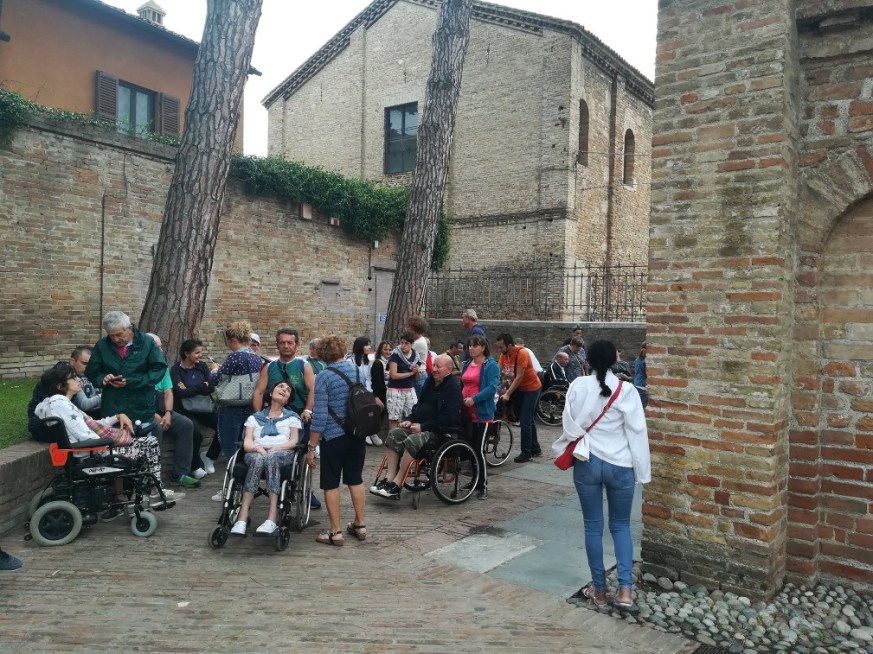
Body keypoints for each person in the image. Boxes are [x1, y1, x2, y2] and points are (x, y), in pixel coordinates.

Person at [557, 340, 650, 611]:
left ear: (588, 361)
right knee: (621, 526)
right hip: (620, 464)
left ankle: (598, 590)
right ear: (614, 361)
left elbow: (568, 424)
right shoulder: (627, 390)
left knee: (592, 526)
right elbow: (637, 432)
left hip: (587, 461)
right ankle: (625, 591)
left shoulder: (577, 386)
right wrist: (642, 470)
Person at [34, 365, 183, 509]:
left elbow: (92, 424)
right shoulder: (61, 405)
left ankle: (149, 491)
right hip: (92, 454)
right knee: (149, 446)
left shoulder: (58, 404)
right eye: (73, 378)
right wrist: (110, 442)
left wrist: (117, 417)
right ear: (61, 386)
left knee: (149, 442)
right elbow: (85, 435)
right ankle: (153, 491)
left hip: (89, 450)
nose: (78, 379)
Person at [372, 354, 463, 499]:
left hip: (440, 431)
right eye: (434, 365)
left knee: (413, 440)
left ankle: (397, 483)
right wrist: (410, 419)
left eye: (438, 367)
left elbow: (448, 418)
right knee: (394, 434)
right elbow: (419, 405)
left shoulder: (453, 389)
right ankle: (389, 478)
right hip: (419, 425)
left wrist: (423, 426)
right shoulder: (430, 381)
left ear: (449, 369)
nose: (434, 369)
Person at [307, 336, 367, 546]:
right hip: (357, 433)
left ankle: (335, 532)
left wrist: (311, 446)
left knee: (330, 482)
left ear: (323, 353)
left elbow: (320, 415)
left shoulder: (324, 376)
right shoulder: (357, 371)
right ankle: (360, 525)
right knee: (355, 479)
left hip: (333, 436)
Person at [251, 328, 320, 509]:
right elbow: (259, 391)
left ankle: (305, 489)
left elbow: (313, 390)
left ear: (296, 345)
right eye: (282, 343)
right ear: (277, 345)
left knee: (302, 453)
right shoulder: (269, 367)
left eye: (290, 343)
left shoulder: (304, 366)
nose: (286, 346)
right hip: (274, 415)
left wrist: (308, 410)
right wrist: (258, 415)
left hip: (299, 415)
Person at [230, 382, 302, 536]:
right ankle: (242, 517)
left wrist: (276, 448)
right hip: (256, 452)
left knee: (272, 458)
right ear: (271, 393)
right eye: (280, 387)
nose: (284, 390)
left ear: (288, 400)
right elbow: (247, 442)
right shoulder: (254, 418)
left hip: (282, 453)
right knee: (258, 459)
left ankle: (272, 517)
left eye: (288, 390)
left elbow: (293, 441)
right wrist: (258, 449)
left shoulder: (292, 418)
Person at [85, 311, 168, 426]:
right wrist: (103, 379)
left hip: (141, 408)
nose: (115, 339)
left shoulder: (147, 342)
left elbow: (159, 370)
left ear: (130, 328)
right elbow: (92, 373)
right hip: (112, 409)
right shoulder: (102, 346)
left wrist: (131, 381)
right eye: (111, 335)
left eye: (119, 334)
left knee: (143, 437)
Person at [208, 321, 265, 470]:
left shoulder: (235, 357)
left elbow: (215, 379)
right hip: (249, 405)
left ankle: (232, 477)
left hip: (231, 406)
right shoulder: (256, 357)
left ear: (233, 340)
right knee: (244, 445)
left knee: (229, 447)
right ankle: (243, 477)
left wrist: (214, 369)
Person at [148, 333, 200, 488]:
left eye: (160, 346)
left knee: (186, 424)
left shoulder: (161, 366)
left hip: (162, 408)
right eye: (156, 347)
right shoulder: (138, 368)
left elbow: (168, 392)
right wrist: (154, 415)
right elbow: (137, 398)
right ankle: (154, 478)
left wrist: (168, 413)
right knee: (156, 428)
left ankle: (180, 474)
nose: (160, 350)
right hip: (145, 411)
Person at [171, 338, 220, 476]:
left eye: (200, 352)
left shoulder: (202, 366)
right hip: (186, 409)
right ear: (186, 353)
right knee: (194, 432)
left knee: (223, 425)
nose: (200, 355)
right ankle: (195, 466)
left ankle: (210, 456)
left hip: (205, 407)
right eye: (197, 353)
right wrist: (201, 386)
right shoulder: (176, 370)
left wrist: (190, 389)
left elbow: (211, 387)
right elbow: (180, 393)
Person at [27, 346, 101, 436]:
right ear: (72, 362)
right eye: (84, 363)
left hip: (70, 420)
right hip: (47, 426)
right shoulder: (58, 379)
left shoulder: (78, 376)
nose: (89, 368)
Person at [460, 336, 499, 499]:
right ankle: (475, 480)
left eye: (475, 346)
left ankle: (483, 485)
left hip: (482, 413)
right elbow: (462, 384)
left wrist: (474, 399)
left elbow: (491, 387)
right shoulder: (466, 364)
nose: (471, 348)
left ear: (483, 347)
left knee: (479, 449)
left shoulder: (491, 365)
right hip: (466, 412)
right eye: (469, 346)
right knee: (470, 448)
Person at [496, 333, 542, 463]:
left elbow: (519, 377)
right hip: (520, 389)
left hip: (532, 388)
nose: (500, 350)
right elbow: (498, 372)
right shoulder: (504, 355)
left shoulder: (522, 353)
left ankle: (526, 453)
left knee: (525, 420)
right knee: (529, 419)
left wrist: (507, 394)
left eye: (501, 347)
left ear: (510, 345)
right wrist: (494, 386)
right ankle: (535, 448)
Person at [346, 336, 379, 445]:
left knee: (374, 407)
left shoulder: (366, 360)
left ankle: (372, 431)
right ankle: (365, 432)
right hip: (355, 391)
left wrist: (369, 391)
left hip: (366, 390)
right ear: (360, 346)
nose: (369, 347)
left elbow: (368, 377)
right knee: (362, 409)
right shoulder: (350, 360)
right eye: (367, 345)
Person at [386, 332, 420, 431]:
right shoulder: (395, 355)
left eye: (406, 343)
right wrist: (410, 373)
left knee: (414, 415)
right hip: (395, 389)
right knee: (394, 418)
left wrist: (417, 372)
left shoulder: (415, 356)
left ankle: (409, 438)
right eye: (402, 342)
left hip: (409, 389)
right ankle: (392, 438)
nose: (403, 345)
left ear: (412, 344)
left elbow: (417, 379)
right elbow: (394, 375)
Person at [369, 340, 392, 446]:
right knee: (377, 415)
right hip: (380, 393)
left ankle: (374, 433)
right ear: (381, 350)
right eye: (385, 349)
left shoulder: (390, 363)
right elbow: (377, 382)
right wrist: (376, 396)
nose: (388, 352)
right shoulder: (378, 363)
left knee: (382, 416)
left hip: (387, 392)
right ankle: (371, 433)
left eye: (390, 349)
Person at [407, 315, 429, 396]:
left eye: (409, 327)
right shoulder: (420, 340)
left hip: (418, 374)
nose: (407, 329)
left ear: (414, 329)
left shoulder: (417, 343)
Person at [633, 342, 648, 409]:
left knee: (637, 405)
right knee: (643, 406)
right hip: (642, 384)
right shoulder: (645, 361)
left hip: (636, 383)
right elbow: (646, 373)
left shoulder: (637, 359)